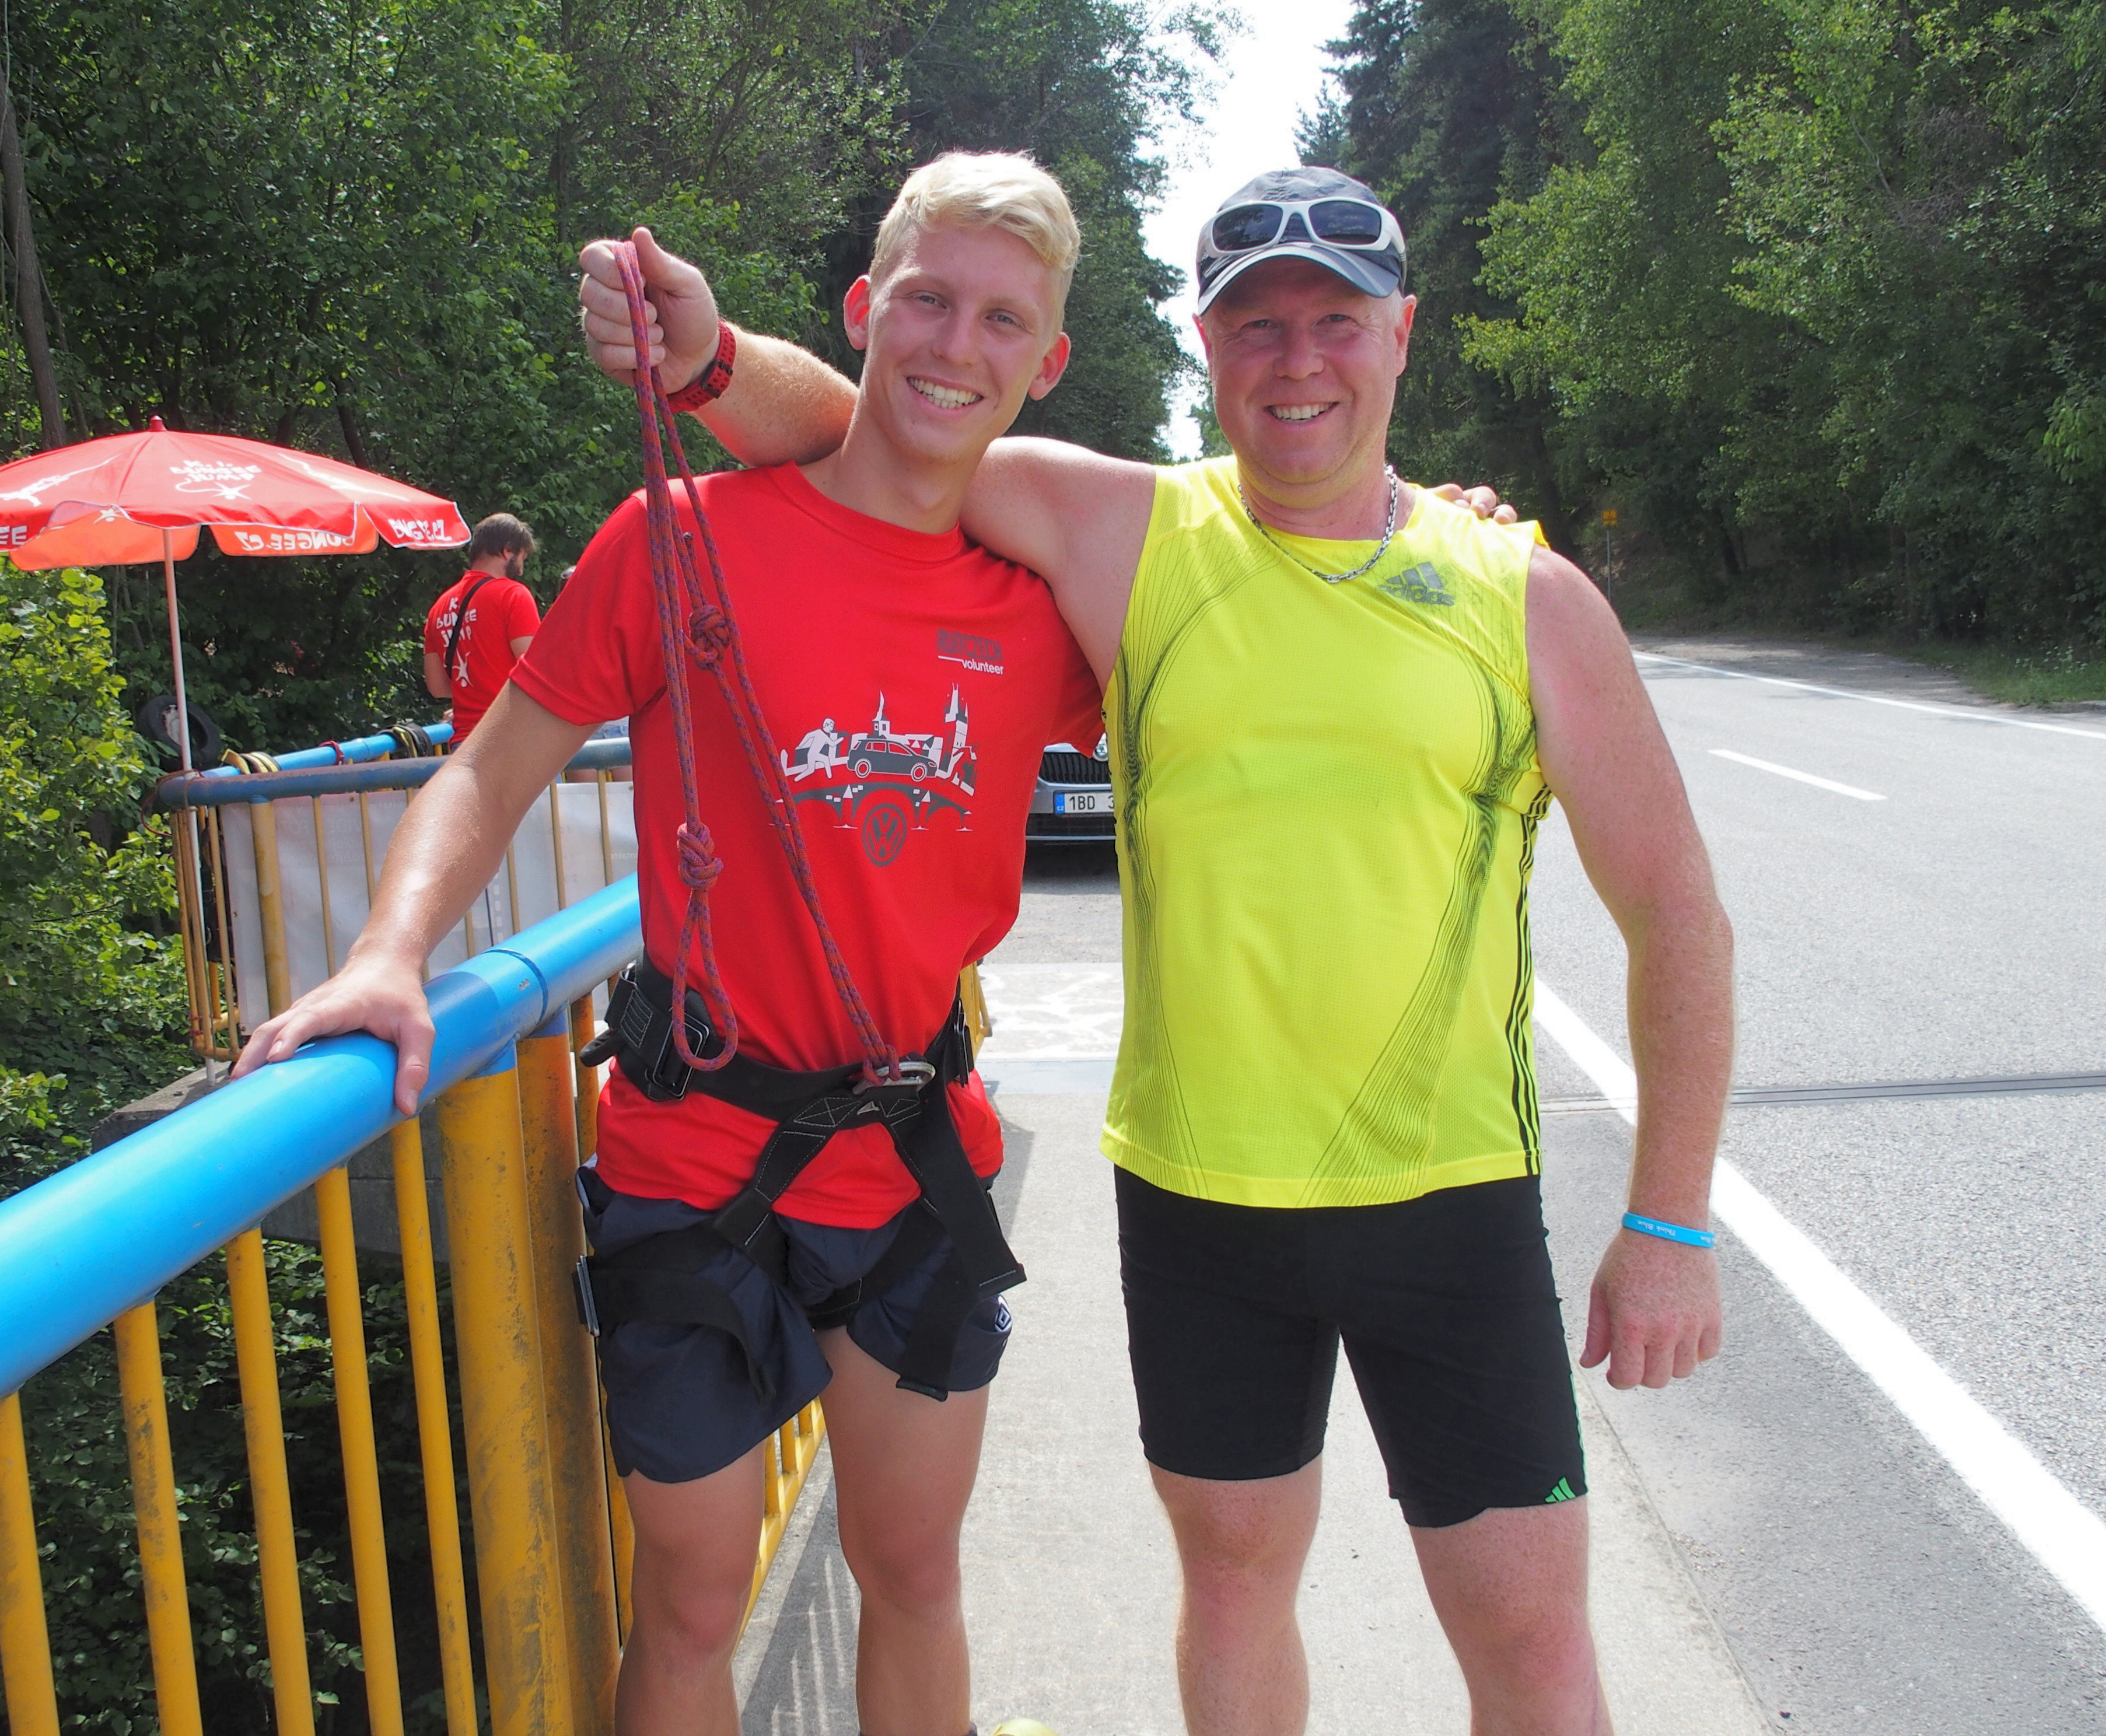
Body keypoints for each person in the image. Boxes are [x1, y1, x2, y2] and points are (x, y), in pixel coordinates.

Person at [577, 164, 1734, 1736]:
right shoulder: (1124, 531)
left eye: (1337, 322)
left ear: (1403, 335)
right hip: (1200, 1198)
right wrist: (712, 360)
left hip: (1444, 1197)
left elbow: (1673, 910)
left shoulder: (1521, 594)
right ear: (1207, 346)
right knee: (1234, 1588)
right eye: (1256, 327)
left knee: (1530, 1640)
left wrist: (1667, 1219)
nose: (1297, 360)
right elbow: (885, 428)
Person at [238, 152, 1108, 1736]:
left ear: (1044, 363)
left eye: (1001, 320)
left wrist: (1417, 522)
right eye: (926, 300)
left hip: (909, 1160)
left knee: (913, 1571)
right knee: (694, 1601)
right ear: (863, 309)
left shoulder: (1042, 607)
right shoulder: (680, 540)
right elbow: (494, 764)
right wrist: (388, 953)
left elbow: (1269, 638)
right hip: (692, 1154)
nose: (955, 345)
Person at [423, 512, 541, 739]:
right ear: (508, 550)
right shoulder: (512, 595)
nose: (521, 570)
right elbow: (536, 671)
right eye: (521, 558)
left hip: (467, 743)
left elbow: (438, 687)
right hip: (514, 737)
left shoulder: (439, 608)